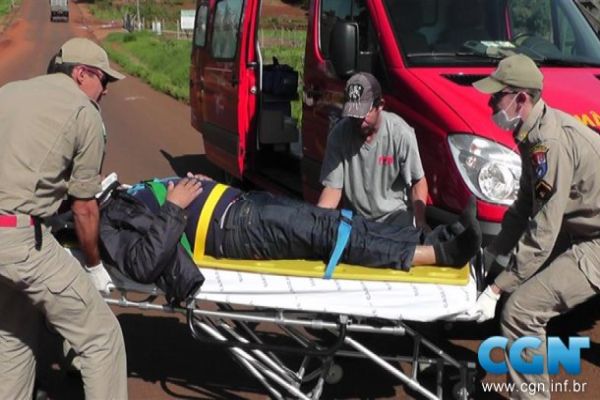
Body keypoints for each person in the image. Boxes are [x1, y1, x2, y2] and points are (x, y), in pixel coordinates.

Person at [97, 173, 482, 301]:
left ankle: (433, 240)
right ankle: (437, 256)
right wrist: (175, 206)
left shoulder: (115, 198)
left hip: (242, 207)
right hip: (233, 231)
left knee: (341, 222)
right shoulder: (104, 225)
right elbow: (144, 264)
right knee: (331, 232)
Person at [0, 38, 127, 399]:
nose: (104, 91)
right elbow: (84, 206)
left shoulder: (9, 92)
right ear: (81, 73)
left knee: (13, 337)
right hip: (18, 241)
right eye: (103, 81)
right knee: (102, 338)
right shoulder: (83, 112)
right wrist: (93, 264)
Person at [469, 54, 600, 399]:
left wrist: (496, 289)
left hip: (596, 239)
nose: (490, 102)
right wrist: (492, 255)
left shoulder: (547, 145)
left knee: (520, 311)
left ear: (521, 98)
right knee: (518, 284)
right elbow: (524, 207)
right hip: (582, 229)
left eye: (497, 95)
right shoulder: (533, 134)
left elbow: (543, 231)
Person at [318, 72, 430, 229]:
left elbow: (418, 181)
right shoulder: (339, 135)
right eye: (353, 114)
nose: (359, 120)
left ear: (380, 105)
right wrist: (318, 222)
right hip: (356, 221)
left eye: (364, 113)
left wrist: (420, 222)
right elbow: (332, 189)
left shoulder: (401, 133)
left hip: (394, 218)